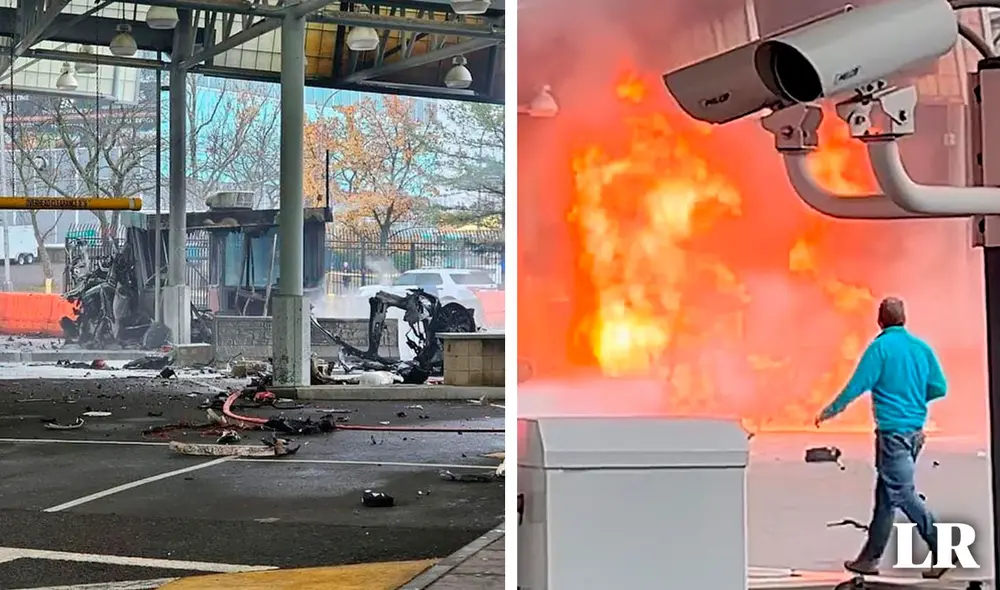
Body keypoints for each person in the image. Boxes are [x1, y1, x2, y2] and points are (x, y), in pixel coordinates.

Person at [815, 297, 948, 579]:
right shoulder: (921, 348)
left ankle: (942, 547)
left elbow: (856, 385)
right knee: (886, 497)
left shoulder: (880, 349)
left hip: (893, 435)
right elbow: (939, 387)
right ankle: (869, 559)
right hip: (915, 434)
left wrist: (831, 410)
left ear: (880, 320)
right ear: (904, 319)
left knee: (902, 493)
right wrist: (914, 399)